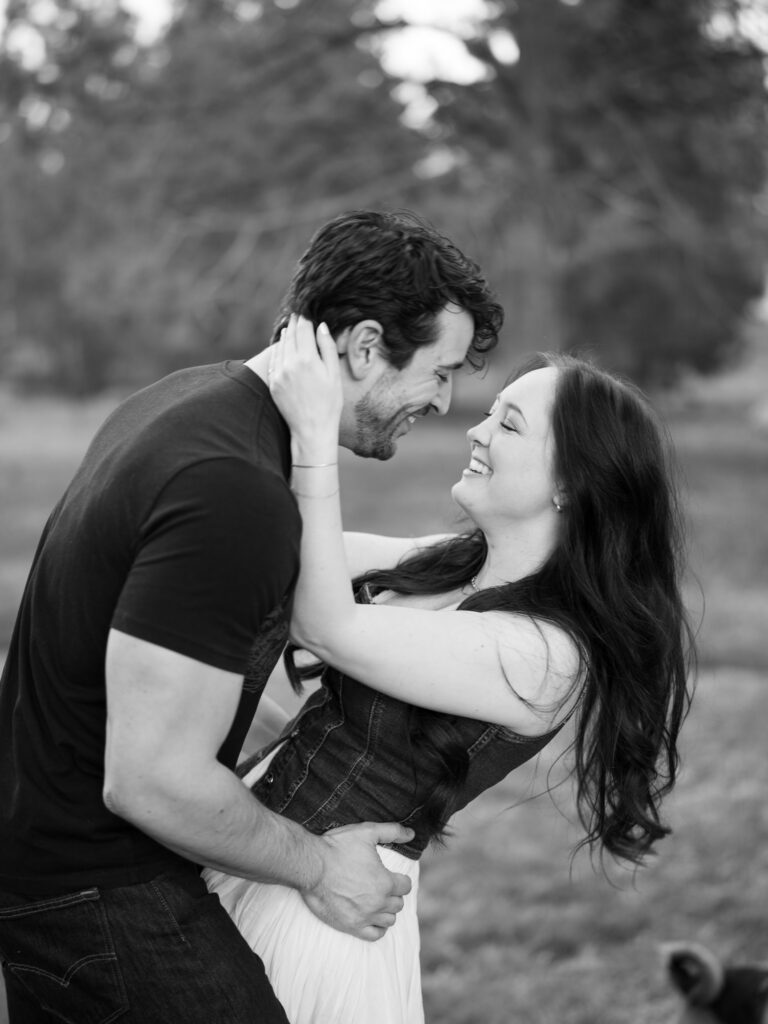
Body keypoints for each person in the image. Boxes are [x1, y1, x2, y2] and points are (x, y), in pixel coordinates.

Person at [0, 212, 503, 1023]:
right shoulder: (232, 492)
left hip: (49, 869)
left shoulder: (190, 399)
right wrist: (317, 867)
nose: (444, 401)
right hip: (97, 890)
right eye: (439, 371)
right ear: (367, 346)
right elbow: (151, 778)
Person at [204, 316, 697, 1024]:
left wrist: (316, 441)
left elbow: (326, 625)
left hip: (323, 920)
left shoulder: (547, 654)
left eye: (510, 424)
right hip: (274, 857)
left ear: (572, 484)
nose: (476, 431)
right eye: (490, 415)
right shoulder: (452, 561)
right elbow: (280, 548)